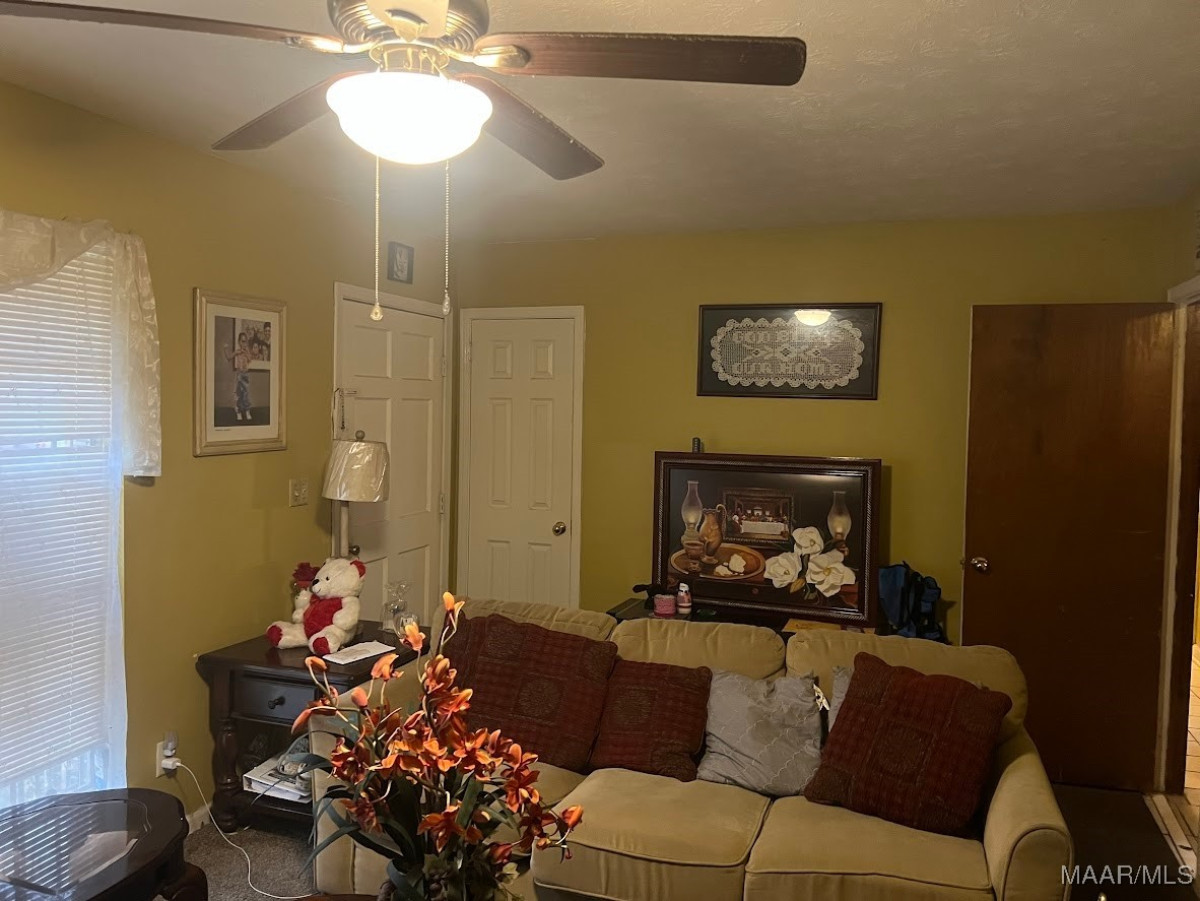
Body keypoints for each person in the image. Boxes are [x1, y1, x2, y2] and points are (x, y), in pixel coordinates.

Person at [223, 331, 253, 422]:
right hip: (239, 374)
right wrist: (225, 349)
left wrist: (246, 352)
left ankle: (247, 411)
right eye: (242, 341)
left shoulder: (247, 352)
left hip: (245, 375)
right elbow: (229, 358)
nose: (244, 344)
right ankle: (238, 412)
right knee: (238, 394)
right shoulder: (237, 352)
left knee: (246, 394)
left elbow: (250, 359)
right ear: (239, 342)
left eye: (245, 342)